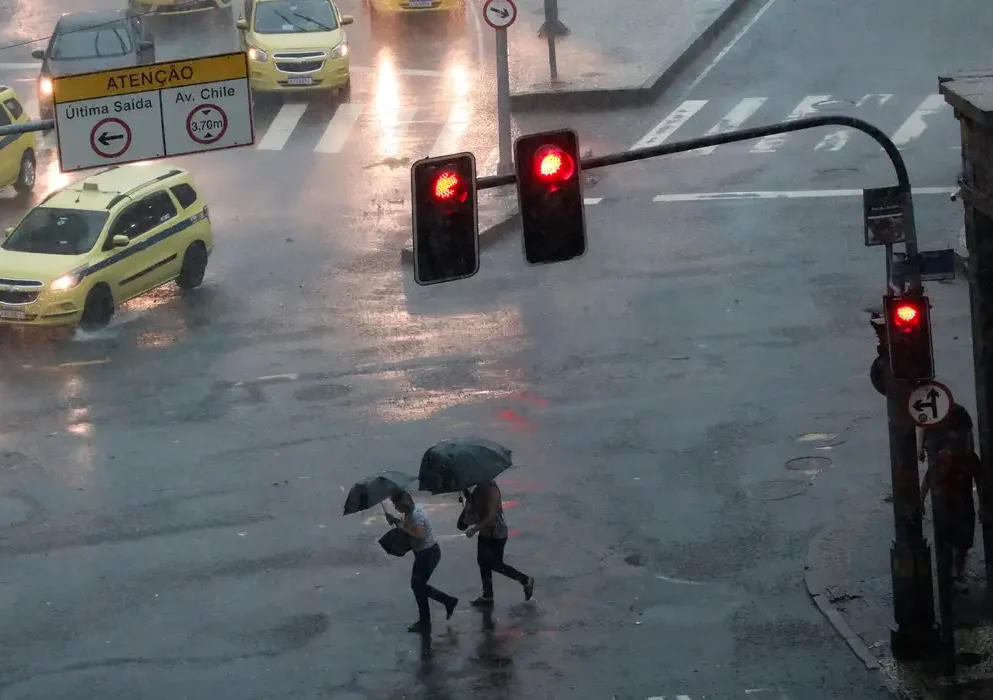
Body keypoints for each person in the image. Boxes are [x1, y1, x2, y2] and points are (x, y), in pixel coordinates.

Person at [921, 403, 983, 583]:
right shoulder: (947, 457)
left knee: (961, 541)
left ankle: (955, 571)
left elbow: (980, 482)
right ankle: (953, 571)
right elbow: (928, 480)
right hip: (949, 504)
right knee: (953, 539)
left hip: (959, 503)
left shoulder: (966, 459)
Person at [385, 490, 458, 633]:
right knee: (418, 586)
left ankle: (445, 603)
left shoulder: (416, 514)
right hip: (424, 553)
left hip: (428, 553)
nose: (395, 507)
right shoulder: (410, 512)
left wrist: (402, 529)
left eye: (395, 504)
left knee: (417, 586)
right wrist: (395, 521)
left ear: (402, 502)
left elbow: (420, 536)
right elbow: (409, 528)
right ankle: (428, 617)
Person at [462, 480, 535, 607]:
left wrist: (475, 528)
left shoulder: (491, 489)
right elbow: (471, 517)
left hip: (497, 533)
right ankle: (487, 595)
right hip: (484, 533)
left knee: (495, 564)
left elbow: (491, 515)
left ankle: (525, 580)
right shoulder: (476, 490)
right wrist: (468, 503)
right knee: (482, 562)